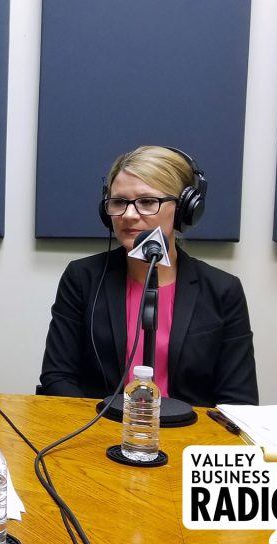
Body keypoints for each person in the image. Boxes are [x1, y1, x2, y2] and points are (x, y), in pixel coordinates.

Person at [38, 145, 257, 407]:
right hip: (100, 434)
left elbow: (239, 401)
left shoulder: (222, 290)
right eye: (119, 202)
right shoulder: (82, 279)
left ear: (185, 209)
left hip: (188, 438)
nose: (129, 215)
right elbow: (57, 377)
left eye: (147, 202)